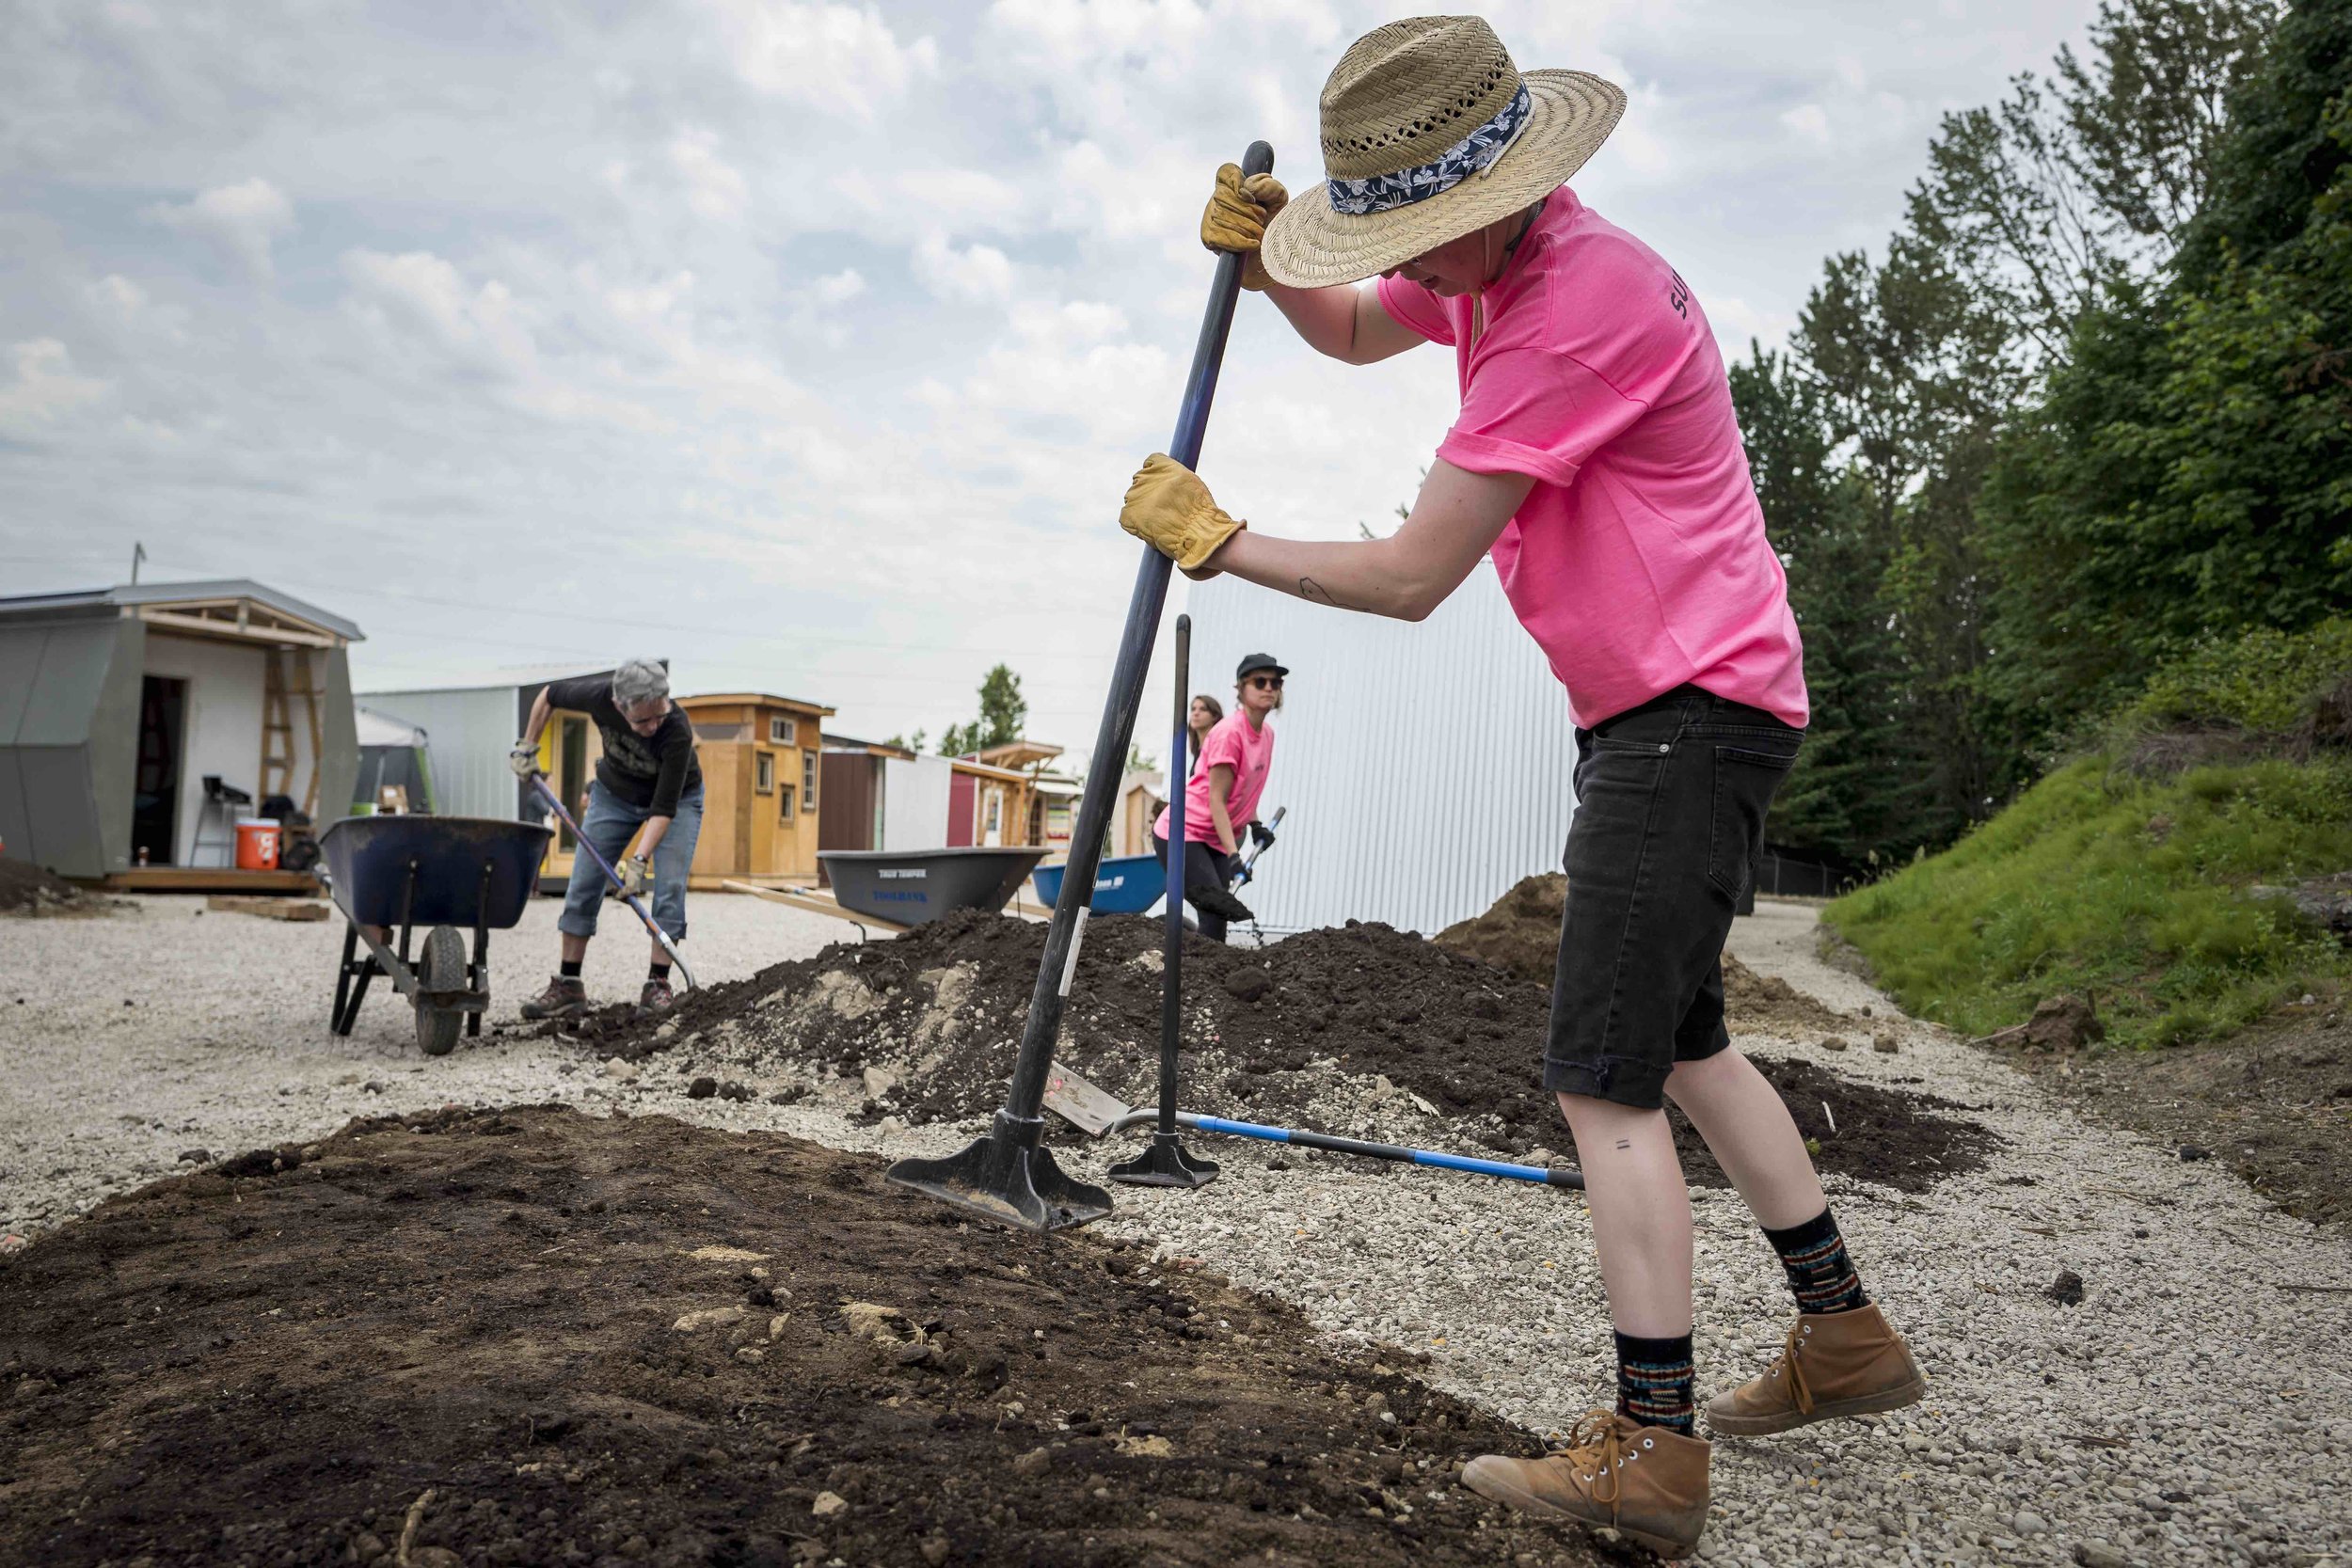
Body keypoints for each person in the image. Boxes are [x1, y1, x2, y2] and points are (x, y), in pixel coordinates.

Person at [1119, 17, 1921, 1559]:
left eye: (1420, 228)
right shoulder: (1495, 257)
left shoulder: (1577, 304)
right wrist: (1280, 273)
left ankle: (1652, 1448)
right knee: (1683, 1044)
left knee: (1600, 1077)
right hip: (1684, 707)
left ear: (1499, 191)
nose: (1411, 258)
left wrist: (1226, 545)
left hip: (1689, 714)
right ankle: (1848, 1335)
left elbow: (1422, 571)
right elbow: (1359, 329)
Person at [512, 658, 705, 1020]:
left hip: (678, 801)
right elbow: (548, 695)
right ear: (619, 706)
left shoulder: (676, 729)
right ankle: (568, 984)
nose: (652, 726)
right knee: (584, 881)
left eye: (658, 716)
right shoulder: (599, 696)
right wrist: (528, 746)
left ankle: (657, 985)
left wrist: (639, 861)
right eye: (642, 721)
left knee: (670, 886)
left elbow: (663, 809)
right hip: (614, 795)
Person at [1153, 655, 1281, 942]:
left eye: (1275, 682)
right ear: (1241, 689)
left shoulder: (1267, 734)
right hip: (1182, 832)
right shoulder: (1228, 734)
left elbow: (1245, 791)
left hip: (1213, 837)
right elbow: (1216, 800)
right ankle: (1196, 977)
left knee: (1217, 916)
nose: (1269, 688)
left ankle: (1206, 975)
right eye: (1260, 681)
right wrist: (1235, 855)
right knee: (1215, 908)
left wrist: (1255, 824)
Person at [1186, 692, 1225, 766]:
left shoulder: (1218, 747)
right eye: (1193, 709)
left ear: (1214, 716)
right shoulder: (1197, 750)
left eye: (1203, 709)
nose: (1196, 713)